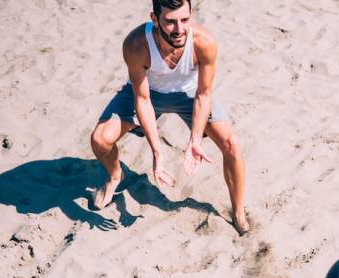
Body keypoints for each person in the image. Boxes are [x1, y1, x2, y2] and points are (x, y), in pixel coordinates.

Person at [90, 0, 249, 234]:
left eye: (185, 20)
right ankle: (115, 175)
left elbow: (203, 94)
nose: (179, 29)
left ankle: (238, 211)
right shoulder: (136, 45)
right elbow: (142, 100)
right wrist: (156, 151)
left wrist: (195, 140)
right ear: (154, 20)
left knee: (231, 145)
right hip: (148, 94)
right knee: (100, 140)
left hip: (189, 94)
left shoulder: (204, 42)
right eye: (170, 21)